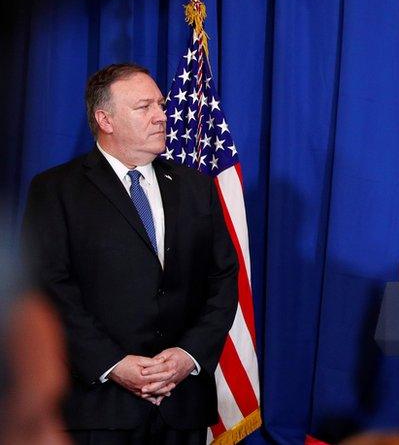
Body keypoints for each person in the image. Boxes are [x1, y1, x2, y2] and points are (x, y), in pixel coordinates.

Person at [21, 63, 238, 444]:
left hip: (181, 406)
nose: (161, 116)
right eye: (144, 107)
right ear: (105, 119)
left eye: (161, 105)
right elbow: (48, 290)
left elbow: (222, 280)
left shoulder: (195, 187)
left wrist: (188, 355)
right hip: (99, 407)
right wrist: (112, 364)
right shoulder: (56, 190)